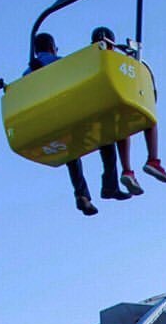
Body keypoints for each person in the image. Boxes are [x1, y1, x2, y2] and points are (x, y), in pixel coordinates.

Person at [25, 32, 131, 215]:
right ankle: (110, 185)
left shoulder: (27, 74)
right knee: (107, 137)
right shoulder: (61, 63)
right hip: (70, 113)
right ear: (52, 47)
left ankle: (81, 195)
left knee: (71, 154)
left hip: (49, 121)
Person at [89, 27, 166, 193]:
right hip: (117, 101)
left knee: (122, 129)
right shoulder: (115, 60)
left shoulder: (87, 63)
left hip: (104, 110)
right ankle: (152, 160)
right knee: (149, 119)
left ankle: (127, 170)